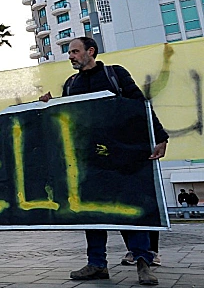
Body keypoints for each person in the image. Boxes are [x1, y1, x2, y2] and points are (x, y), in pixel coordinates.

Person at [40, 37, 166, 285]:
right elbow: (67, 116)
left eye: (75, 51)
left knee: (129, 210)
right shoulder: (71, 84)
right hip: (88, 160)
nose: (71, 56)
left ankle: (143, 261)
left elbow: (141, 106)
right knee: (92, 212)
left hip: (121, 158)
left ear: (91, 51)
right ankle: (96, 264)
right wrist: (50, 104)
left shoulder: (115, 74)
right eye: (69, 53)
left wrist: (160, 137)